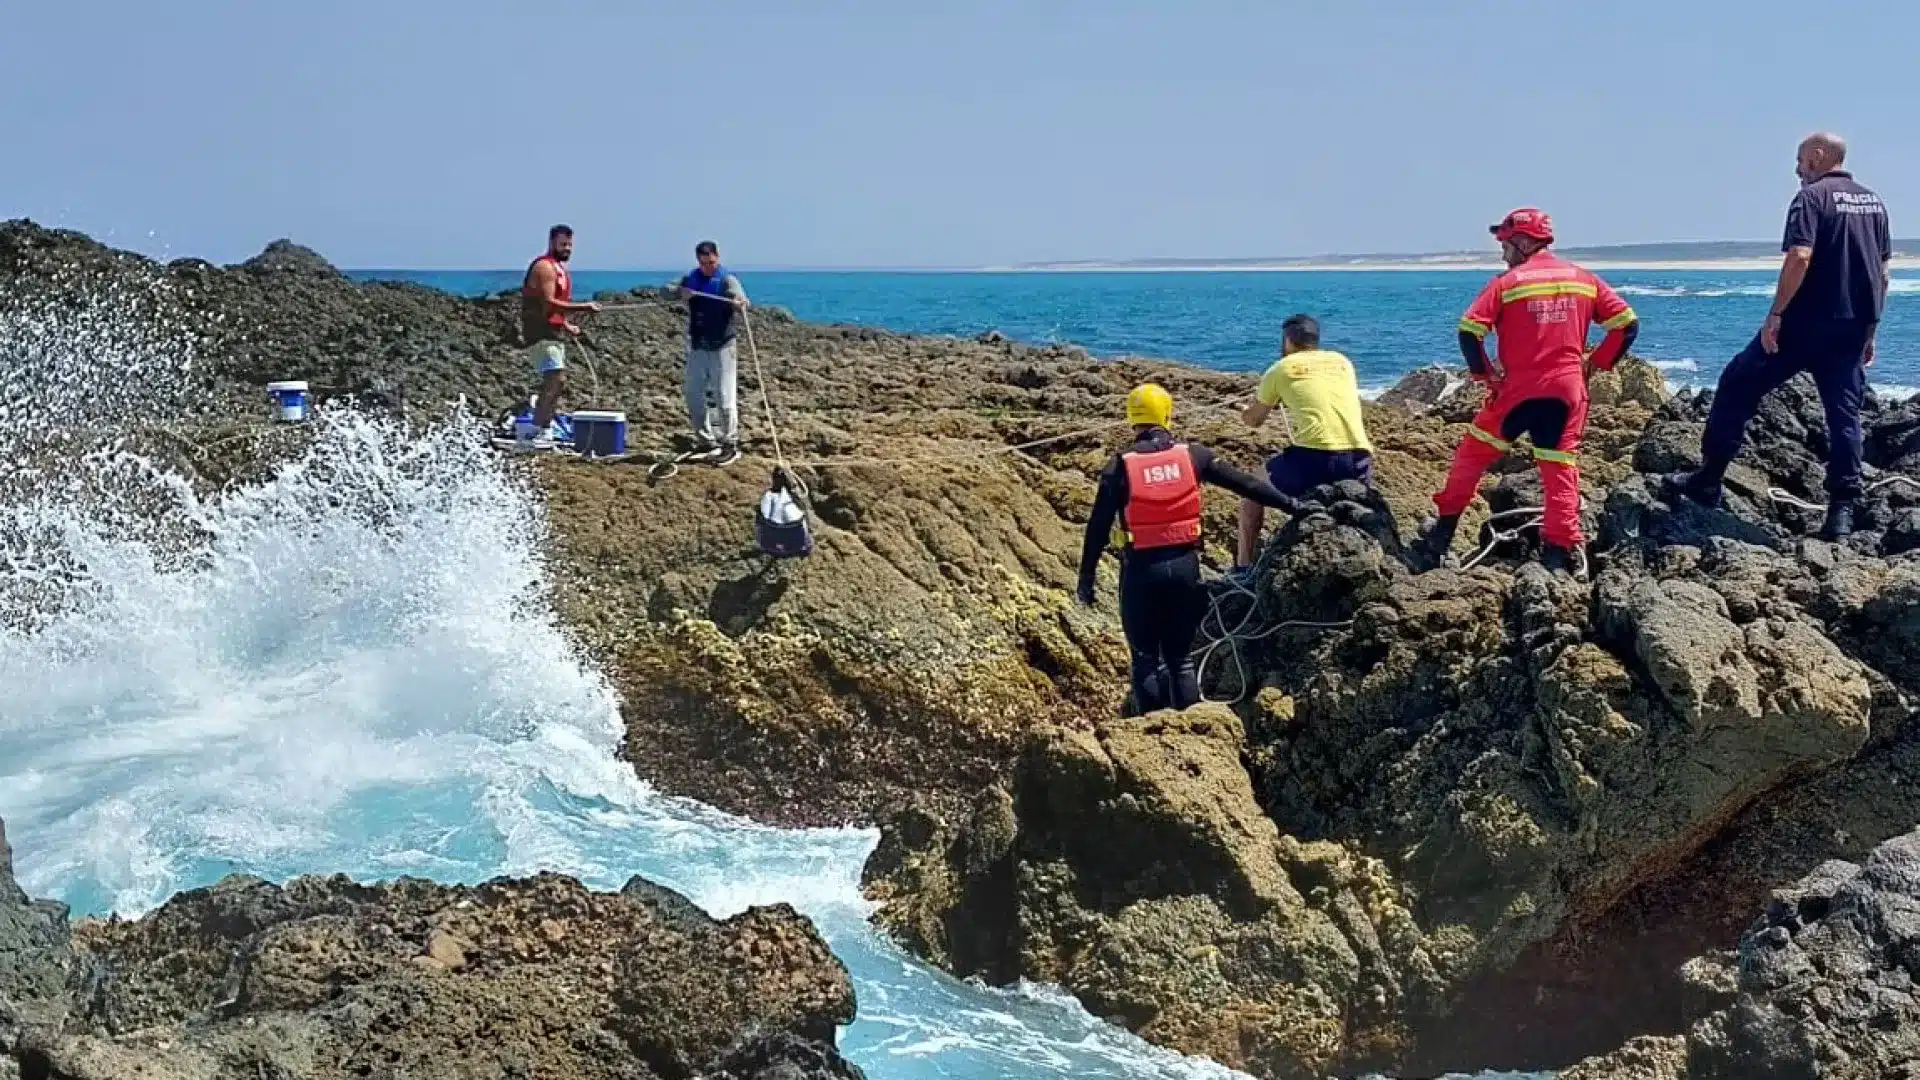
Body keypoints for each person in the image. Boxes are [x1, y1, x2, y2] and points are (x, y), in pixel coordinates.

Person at [1672, 133, 1893, 540]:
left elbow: (1800, 256)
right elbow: (1881, 273)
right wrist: (1871, 330)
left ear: (1818, 156)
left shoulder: (1811, 199)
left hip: (1804, 325)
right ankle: (1841, 513)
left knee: (1737, 384)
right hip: (1852, 328)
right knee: (1845, 417)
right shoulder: (1874, 202)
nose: (1796, 170)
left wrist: (1776, 313)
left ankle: (1708, 479)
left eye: (1799, 161)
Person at [1412, 208, 1639, 576]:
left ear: (1523, 241)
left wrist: (1484, 376)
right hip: (1566, 392)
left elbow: (1469, 331)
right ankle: (1557, 555)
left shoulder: (1507, 283)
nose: (1502, 252)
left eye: (1504, 242)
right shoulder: (1585, 280)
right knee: (1559, 469)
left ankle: (1441, 537)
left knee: (1471, 458)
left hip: (1517, 391)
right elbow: (1627, 324)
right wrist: (1596, 364)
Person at [1076, 383, 1311, 715]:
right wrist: (1294, 506)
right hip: (1185, 569)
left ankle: (1151, 735)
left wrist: (1086, 579)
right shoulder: (1194, 456)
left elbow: (1097, 527)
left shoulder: (1120, 466)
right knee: (1182, 660)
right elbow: (1247, 484)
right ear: (1168, 415)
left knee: (1145, 659)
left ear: (1132, 419)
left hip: (1142, 572)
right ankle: (1192, 730)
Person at [1236, 313, 1373, 574]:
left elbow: (1254, 421)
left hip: (1314, 459)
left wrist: (1245, 410)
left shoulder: (1280, 369)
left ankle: (1243, 567)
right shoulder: (1342, 362)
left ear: (1287, 340)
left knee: (1251, 491)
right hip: (1359, 458)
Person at [519, 224, 600, 450]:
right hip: (539, 333)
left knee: (556, 381)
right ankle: (538, 428)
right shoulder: (544, 267)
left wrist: (566, 325)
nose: (567, 249)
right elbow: (549, 302)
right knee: (556, 378)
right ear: (552, 242)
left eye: (570, 245)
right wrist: (584, 307)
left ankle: (544, 427)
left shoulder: (560, 270)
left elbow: (554, 311)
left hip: (553, 333)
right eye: (563, 244)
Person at [679, 241, 751, 465]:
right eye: (703, 263)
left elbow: (740, 297)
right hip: (698, 345)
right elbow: (666, 290)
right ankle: (705, 441)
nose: (707, 267)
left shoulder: (727, 279)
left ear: (717, 257)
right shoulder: (691, 278)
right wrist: (680, 292)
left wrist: (740, 302)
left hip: (722, 346)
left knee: (724, 397)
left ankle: (730, 444)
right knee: (694, 395)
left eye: (711, 262)